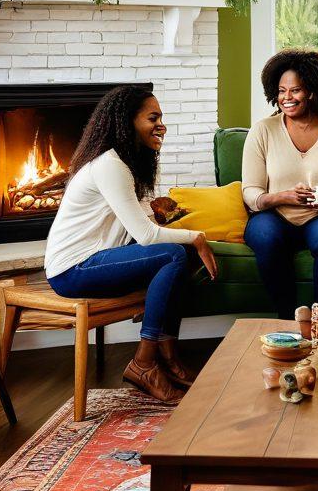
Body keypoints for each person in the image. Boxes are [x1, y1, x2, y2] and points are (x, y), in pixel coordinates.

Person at [44, 85, 218, 405]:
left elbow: (140, 228)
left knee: (181, 253)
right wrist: (196, 236)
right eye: (153, 118)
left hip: (98, 260)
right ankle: (144, 363)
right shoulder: (110, 164)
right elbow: (147, 237)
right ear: (127, 121)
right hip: (73, 270)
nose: (162, 126)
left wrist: (182, 232)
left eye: (161, 118)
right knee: (173, 253)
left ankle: (167, 355)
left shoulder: (121, 164)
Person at [242, 48, 318, 319]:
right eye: (281, 91)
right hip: (275, 214)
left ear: (312, 91)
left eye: (295, 90)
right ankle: (288, 320)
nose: (287, 97)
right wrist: (283, 197)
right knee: (264, 235)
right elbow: (251, 192)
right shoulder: (263, 130)